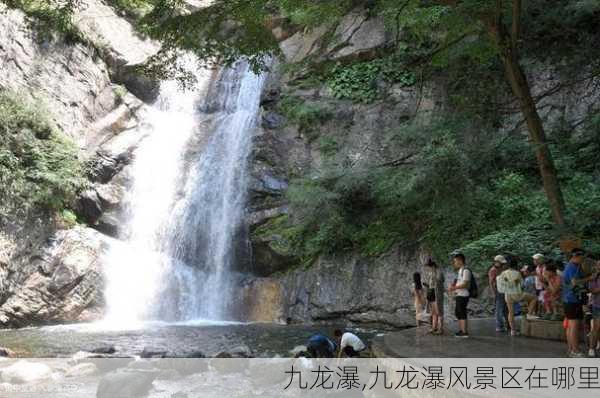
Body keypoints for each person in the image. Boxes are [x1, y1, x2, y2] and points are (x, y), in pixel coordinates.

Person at [562, 248, 593, 358]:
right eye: (582, 257)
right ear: (577, 256)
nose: (583, 259)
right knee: (574, 326)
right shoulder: (571, 267)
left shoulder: (574, 266)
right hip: (572, 300)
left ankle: (571, 349)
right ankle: (575, 350)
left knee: (571, 326)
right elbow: (574, 282)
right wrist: (589, 278)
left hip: (569, 300)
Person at [497, 260, 539, 336]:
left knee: (511, 312)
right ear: (515, 265)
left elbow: (502, 282)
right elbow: (522, 284)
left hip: (507, 294)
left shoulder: (503, 273)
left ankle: (513, 331)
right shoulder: (517, 273)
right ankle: (529, 314)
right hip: (517, 293)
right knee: (534, 298)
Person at [448, 252, 471, 338]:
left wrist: (454, 288)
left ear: (460, 261)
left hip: (463, 295)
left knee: (462, 312)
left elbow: (465, 284)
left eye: (455, 261)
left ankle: (464, 332)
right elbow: (460, 282)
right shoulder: (460, 270)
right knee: (458, 312)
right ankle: (462, 330)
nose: (454, 263)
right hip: (459, 294)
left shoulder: (466, 270)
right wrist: (455, 288)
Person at [424, 258, 445, 335]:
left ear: (433, 266)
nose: (428, 269)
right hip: (431, 292)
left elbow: (441, 280)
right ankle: (434, 327)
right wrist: (427, 284)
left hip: (437, 293)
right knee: (433, 312)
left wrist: (434, 277)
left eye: (429, 267)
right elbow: (431, 283)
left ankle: (440, 329)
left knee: (439, 311)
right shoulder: (430, 273)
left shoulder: (439, 272)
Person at [489, 255, 509, 332]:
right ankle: (499, 326)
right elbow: (491, 282)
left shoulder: (502, 269)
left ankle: (508, 325)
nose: (502, 264)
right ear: (497, 262)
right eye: (501, 263)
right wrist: (493, 293)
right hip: (498, 291)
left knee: (505, 309)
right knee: (499, 309)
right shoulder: (493, 270)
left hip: (504, 290)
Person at [587, 259, 600, 357]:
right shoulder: (594, 277)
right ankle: (591, 348)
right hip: (598, 305)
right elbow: (592, 290)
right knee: (596, 327)